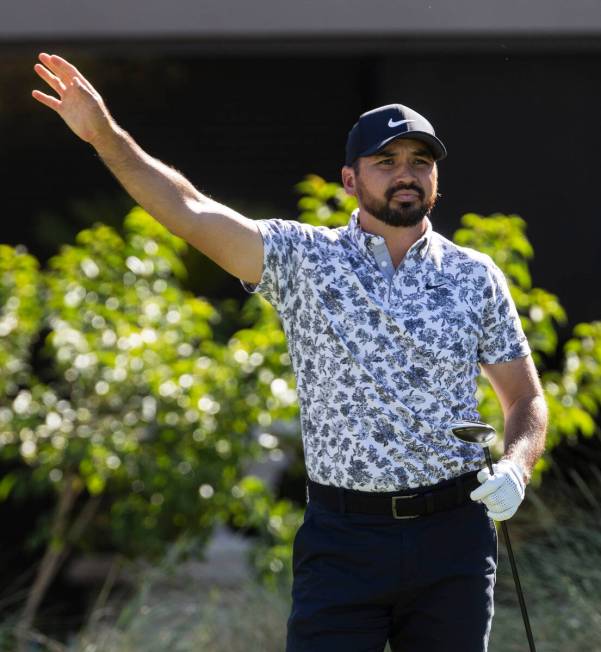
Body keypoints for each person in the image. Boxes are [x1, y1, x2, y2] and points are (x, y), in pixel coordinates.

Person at [32, 53, 547, 652]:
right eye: (386, 161)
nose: (406, 173)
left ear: (436, 179)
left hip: (453, 538)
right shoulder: (303, 258)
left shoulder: (474, 276)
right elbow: (189, 210)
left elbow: (525, 398)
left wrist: (517, 467)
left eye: (420, 162)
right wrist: (104, 136)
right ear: (350, 180)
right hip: (344, 540)